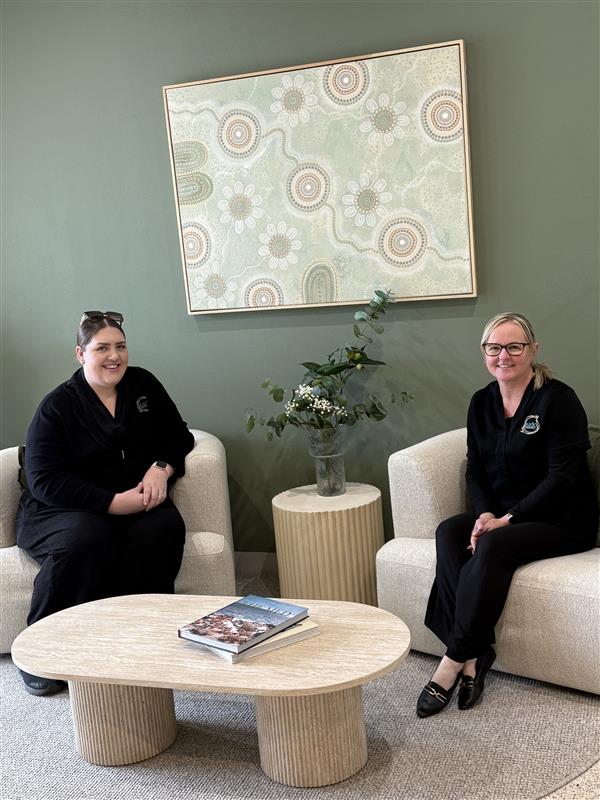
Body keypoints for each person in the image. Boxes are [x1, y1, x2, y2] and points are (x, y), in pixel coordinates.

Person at [416, 312, 599, 718]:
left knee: (494, 544)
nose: (504, 355)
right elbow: (476, 469)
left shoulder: (558, 400)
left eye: (514, 346)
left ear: (533, 350)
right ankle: (477, 653)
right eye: (494, 347)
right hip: (502, 514)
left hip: (563, 519)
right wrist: (484, 513)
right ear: (484, 353)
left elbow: (562, 479)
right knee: (449, 532)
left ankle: (453, 659)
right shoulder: (481, 402)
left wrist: (506, 520)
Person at [16, 311, 195, 696]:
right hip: (60, 509)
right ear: (81, 354)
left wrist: (161, 469)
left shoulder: (143, 384)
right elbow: (44, 480)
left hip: (134, 498)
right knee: (86, 535)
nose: (114, 356)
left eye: (120, 346)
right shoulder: (57, 406)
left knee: (163, 526)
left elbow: (179, 436)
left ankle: (139, 632)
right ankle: (41, 651)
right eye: (102, 348)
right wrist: (111, 503)